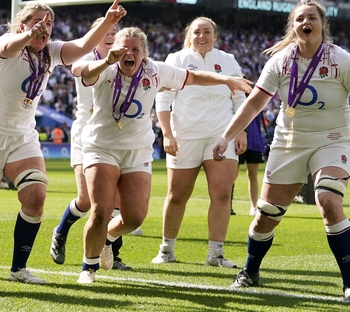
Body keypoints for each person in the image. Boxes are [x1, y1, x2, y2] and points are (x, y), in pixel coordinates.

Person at [0, 0, 127, 284]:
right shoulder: (7, 43)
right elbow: (10, 45)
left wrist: (109, 21)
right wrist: (27, 34)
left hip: (22, 135)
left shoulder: (51, 51)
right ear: (22, 24)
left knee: (35, 198)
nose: (45, 28)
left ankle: (18, 269)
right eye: (38, 22)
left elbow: (83, 47)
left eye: (49, 24)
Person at [213, 0, 350, 302]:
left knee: (328, 200)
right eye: (299, 19)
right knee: (266, 217)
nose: (305, 23)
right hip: (289, 142)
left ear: (322, 25)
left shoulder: (341, 60)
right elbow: (255, 102)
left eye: (312, 18)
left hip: (332, 139)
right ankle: (250, 271)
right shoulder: (280, 61)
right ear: (293, 26)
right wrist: (226, 136)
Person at [74, 27, 252, 283]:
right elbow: (78, 70)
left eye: (135, 49)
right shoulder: (105, 68)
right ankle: (88, 268)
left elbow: (193, 77)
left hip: (137, 150)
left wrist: (225, 80)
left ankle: (108, 239)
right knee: (101, 211)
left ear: (144, 53)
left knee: (134, 217)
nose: (129, 53)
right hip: (102, 147)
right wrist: (106, 60)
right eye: (124, 48)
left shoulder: (155, 70)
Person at [152, 17, 247, 268]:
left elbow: (239, 99)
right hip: (184, 136)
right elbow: (162, 100)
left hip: (221, 134)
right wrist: (167, 134)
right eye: (197, 32)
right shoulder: (175, 59)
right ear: (189, 35)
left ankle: (215, 254)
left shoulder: (228, 60)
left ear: (216, 36)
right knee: (177, 195)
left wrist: (241, 132)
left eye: (207, 32)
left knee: (222, 194)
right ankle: (166, 250)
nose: (202, 36)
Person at [49, 18, 140, 272]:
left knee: (118, 200)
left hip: (114, 135)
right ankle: (61, 229)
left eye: (114, 32)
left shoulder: (126, 60)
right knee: (87, 200)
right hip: (87, 132)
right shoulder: (88, 58)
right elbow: (81, 70)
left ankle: (112, 251)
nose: (110, 36)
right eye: (105, 32)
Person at [233, 110, 267, 216]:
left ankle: (253, 207)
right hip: (238, 139)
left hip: (255, 139)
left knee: (253, 174)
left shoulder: (258, 96)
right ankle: (228, 206)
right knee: (233, 174)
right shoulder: (238, 96)